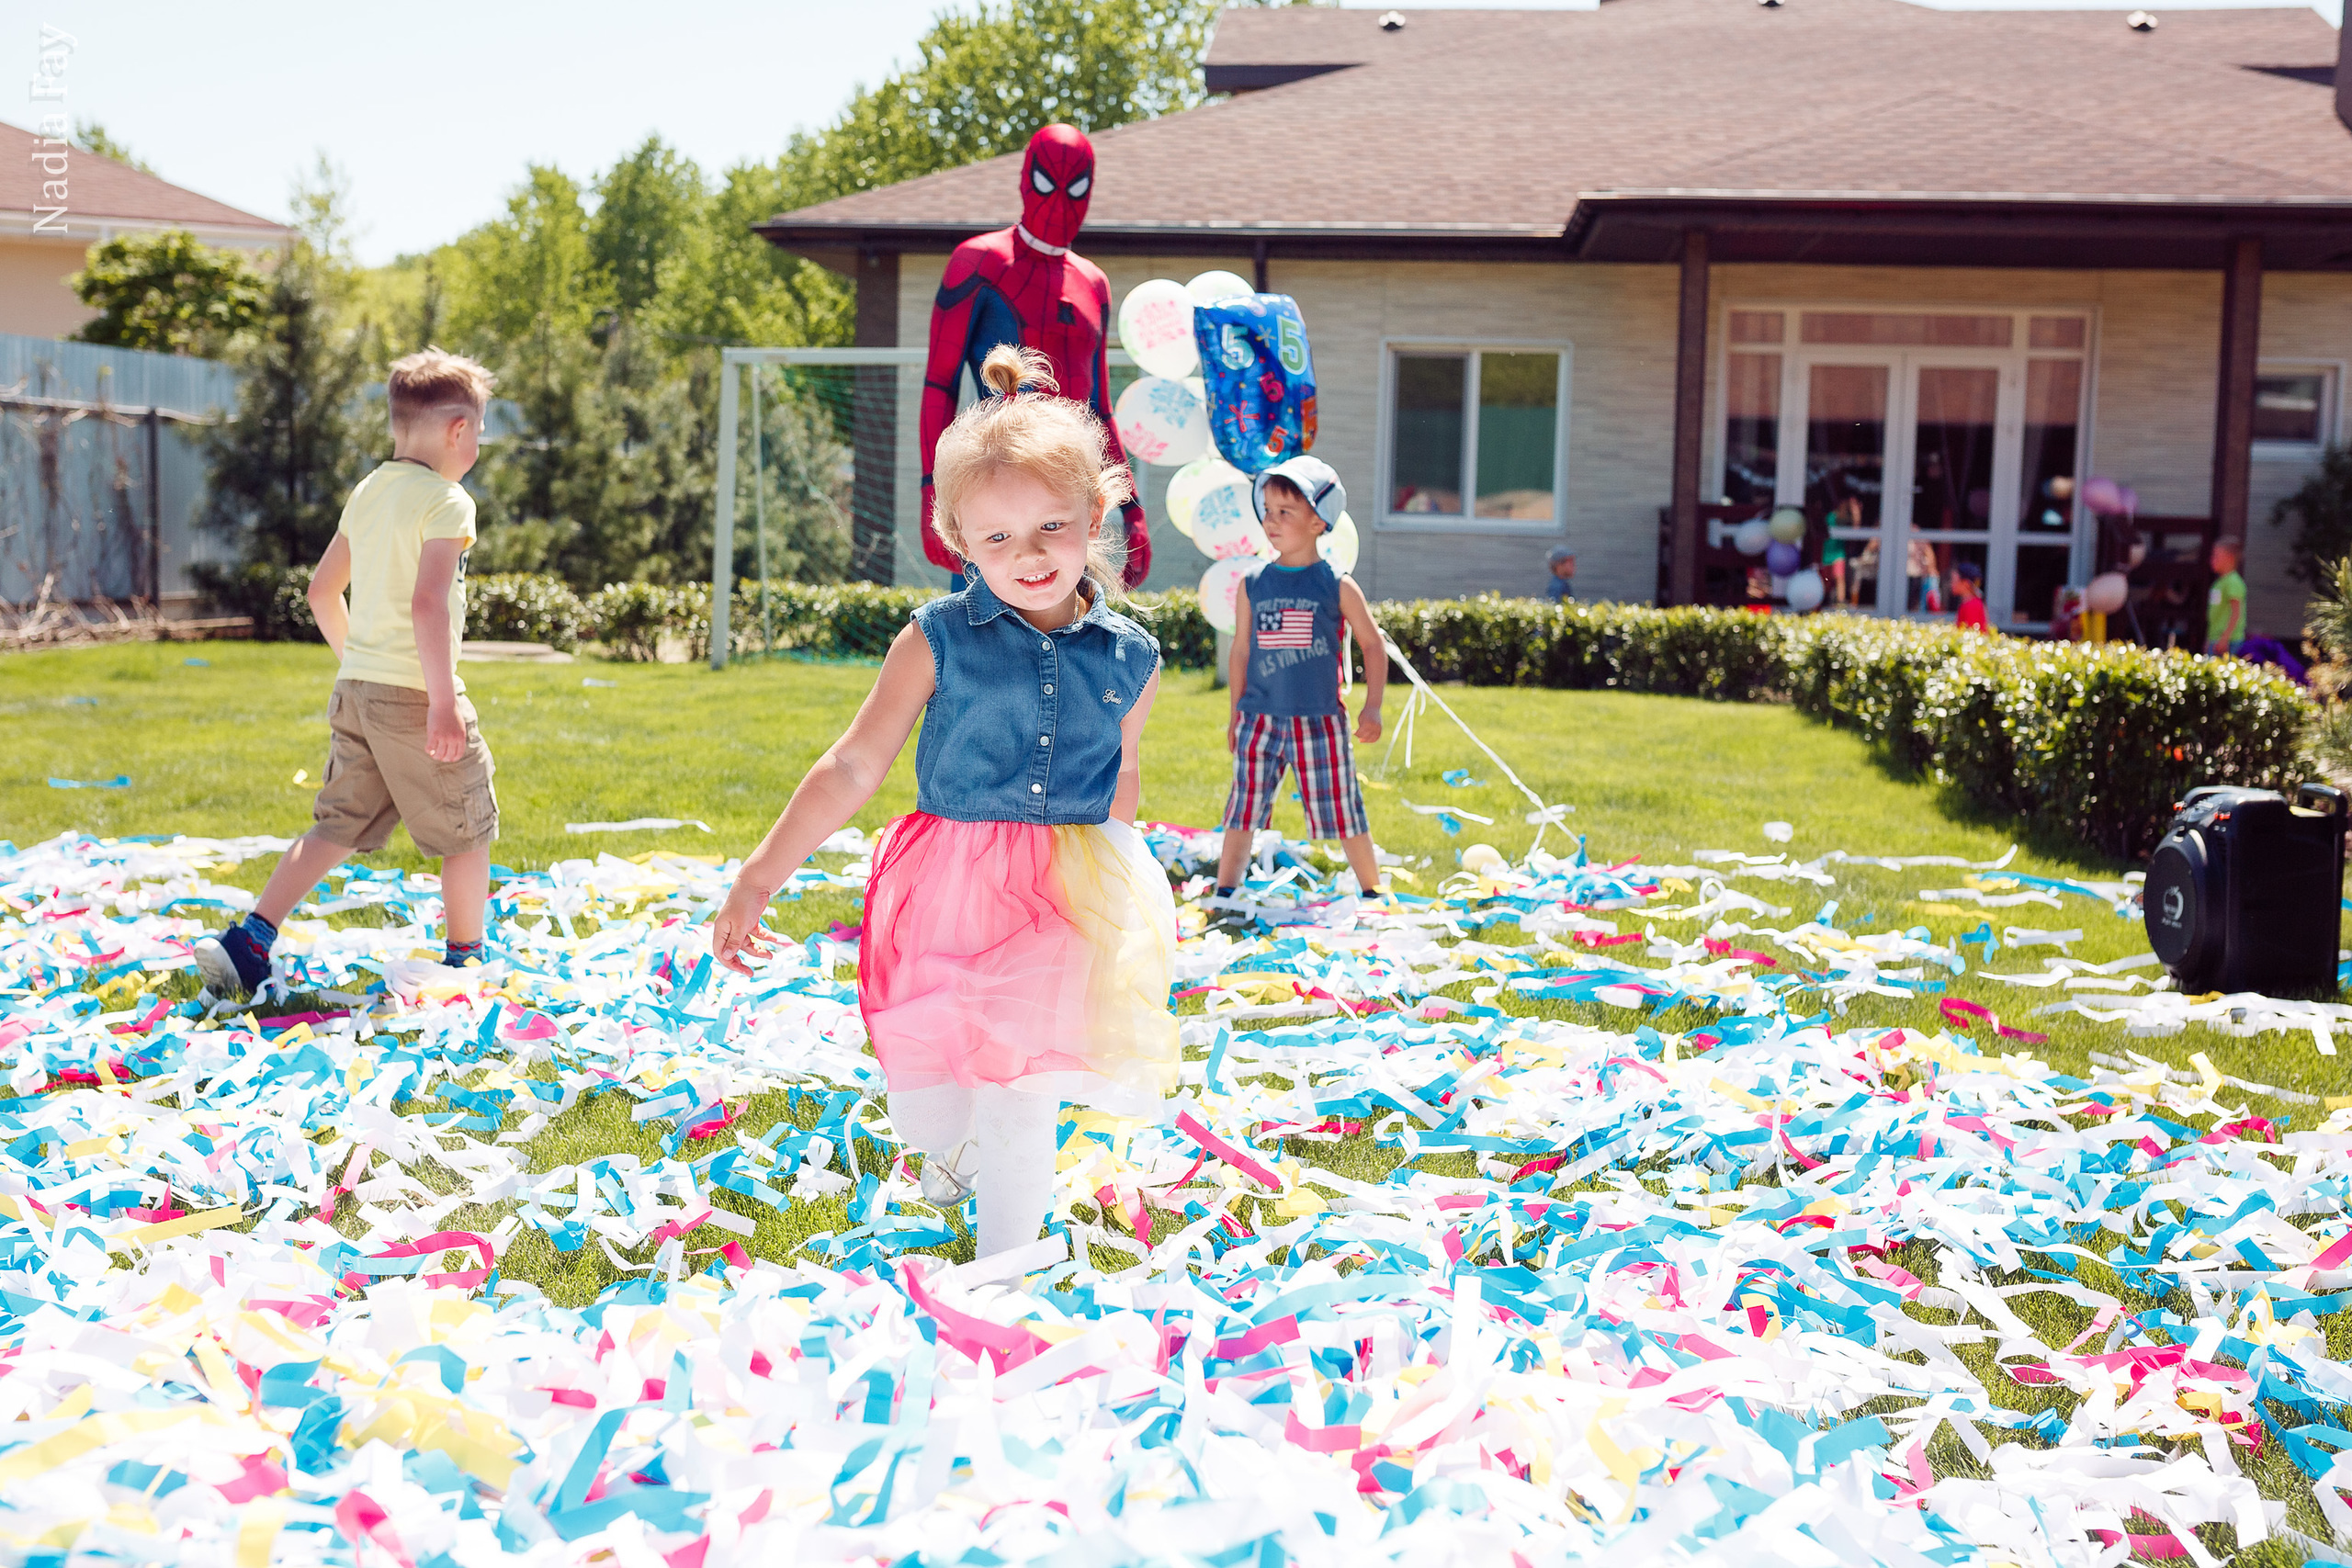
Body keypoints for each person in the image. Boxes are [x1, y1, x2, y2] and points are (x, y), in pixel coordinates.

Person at [711, 344, 1172, 1261]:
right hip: (951, 880)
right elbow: (852, 766)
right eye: (996, 538)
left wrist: (1124, 886)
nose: (1028, 555)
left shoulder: (1132, 657)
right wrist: (759, 878)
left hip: (1071, 884)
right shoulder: (936, 640)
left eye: (1050, 527)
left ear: (1094, 516)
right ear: (959, 541)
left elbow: (1120, 772)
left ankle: (1005, 1268)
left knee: (1020, 1084)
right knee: (946, 1070)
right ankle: (948, 1167)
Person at [194, 349, 500, 997]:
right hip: (420, 697)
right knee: (468, 828)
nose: (480, 441)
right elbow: (427, 603)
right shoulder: (449, 502)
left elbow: (320, 593)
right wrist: (442, 702)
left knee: (337, 822)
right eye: (479, 427)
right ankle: (465, 962)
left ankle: (250, 941)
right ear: (456, 430)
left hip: (358, 691)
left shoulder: (368, 492)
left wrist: (359, 664)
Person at [1215, 455, 1386, 907]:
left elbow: (1372, 644)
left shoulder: (1336, 584)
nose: (1271, 521)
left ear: (1318, 522)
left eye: (1285, 512)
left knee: (1342, 807)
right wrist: (1236, 713)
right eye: (1267, 510)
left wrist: (1373, 706)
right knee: (1243, 808)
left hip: (1320, 720)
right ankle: (1226, 890)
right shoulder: (1253, 583)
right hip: (1260, 717)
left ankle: (1372, 890)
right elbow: (1241, 652)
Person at [2206, 536, 2247, 656]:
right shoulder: (2219, 583)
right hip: (2215, 639)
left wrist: (2225, 638)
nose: (2212, 559)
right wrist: (2209, 640)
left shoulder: (2233, 581)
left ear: (2229, 558)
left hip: (2229, 641)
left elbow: (2236, 613)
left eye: (2216, 556)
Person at [1951, 559, 1991, 632]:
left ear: (1966, 584)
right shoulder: (1969, 603)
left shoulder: (1972, 605)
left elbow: (1972, 635)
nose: (1951, 584)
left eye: (1954, 580)